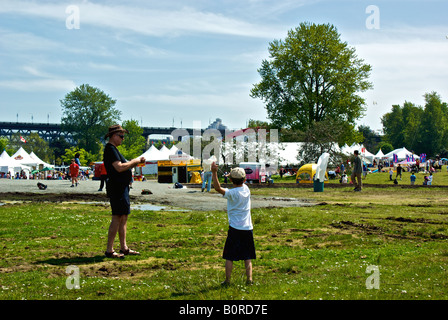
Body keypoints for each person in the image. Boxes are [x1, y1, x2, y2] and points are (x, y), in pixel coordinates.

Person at [103, 124, 146, 258]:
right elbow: (119, 167)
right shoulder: (110, 149)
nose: (123, 139)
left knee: (123, 217)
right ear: (113, 136)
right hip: (117, 187)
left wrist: (135, 162)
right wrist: (135, 161)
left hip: (121, 187)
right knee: (117, 217)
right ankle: (109, 250)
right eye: (121, 136)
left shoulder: (114, 149)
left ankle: (124, 247)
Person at [211, 162, 255, 286]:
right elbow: (238, 181)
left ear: (230, 180)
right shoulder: (246, 189)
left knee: (229, 256)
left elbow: (218, 188)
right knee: (247, 256)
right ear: (245, 179)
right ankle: (249, 280)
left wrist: (214, 172)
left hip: (235, 229)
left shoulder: (231, 193)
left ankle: (228, 281)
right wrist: (233, 174)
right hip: (247, 228)